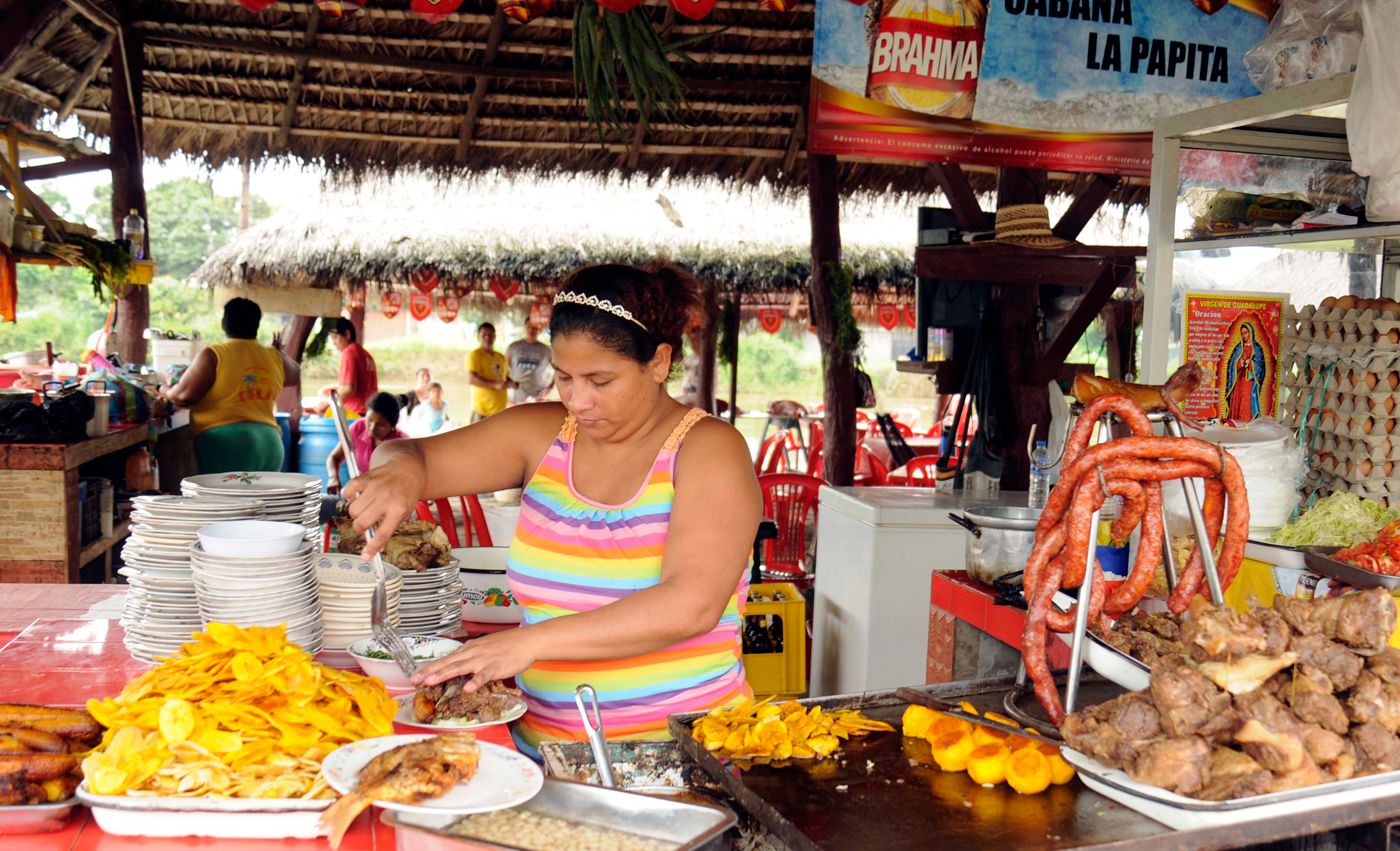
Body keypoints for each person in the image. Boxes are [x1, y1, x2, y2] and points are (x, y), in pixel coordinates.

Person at [341, 262, 760, 756]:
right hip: (542, 751)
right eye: (564, 377)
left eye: (600, 380)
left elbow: (691, 605)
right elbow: (410, 455)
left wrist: (526, 645)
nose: (578, 400)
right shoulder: (542, 434)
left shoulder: (710, 450)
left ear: (659, 362)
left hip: (681, 757)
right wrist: (400, 474)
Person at [162, 298, 299, 474]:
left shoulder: (214, 355)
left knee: (224, 501)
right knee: (261, 502)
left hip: (228, 446)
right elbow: (295, 374)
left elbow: (182, 396)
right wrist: (279, 352)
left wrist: (164, 390)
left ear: (223, 323)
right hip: (270, 443)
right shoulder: (273, 356)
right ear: (257, 325)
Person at [326, 392, 406, 493]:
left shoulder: (401, 444)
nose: (372, 428)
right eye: (370, 420)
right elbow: (334, 458)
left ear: (392, 427)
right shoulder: (358, 427)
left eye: (380, 425)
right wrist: (333, 478)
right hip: (360, 489)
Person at [329, 317, 378, 417]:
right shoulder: (367, 355)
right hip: (370, 412)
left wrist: (328, 403)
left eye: (335, 337)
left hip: (354, 413)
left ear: (347, 334)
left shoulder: (349, 352)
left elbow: (348, 389)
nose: (334, 342)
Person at [1223, 320, 1267, 421]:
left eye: (1246, 333)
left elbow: (1260, 366)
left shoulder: (1257, 348)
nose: (1244, 336)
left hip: (1249, 381)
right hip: (1238, 381)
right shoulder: (1239, 347)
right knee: (1237, 402)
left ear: (1250, 332)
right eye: (1242, 333)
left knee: (1247, 403)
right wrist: (1240, 363)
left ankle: (1247, 424)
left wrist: (1250, 364)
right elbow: (1231, 364)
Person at [467, 322, 509, 422]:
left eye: (490, 335)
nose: (487, 338)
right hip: (482, 411)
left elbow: (504, 377)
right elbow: (472, 379)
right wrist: (495, 384)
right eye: (484, 335)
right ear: (478, 337)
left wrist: (511, 383)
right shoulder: (475, 355)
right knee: (477, 437)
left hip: (500, 411)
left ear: (495, 337)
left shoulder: (500, 357)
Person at [506, 322, 552, 405]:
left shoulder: (546, 350)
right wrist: (508, 384)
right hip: (516, 396)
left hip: (537, 397)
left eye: (535, 327)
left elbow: (559, 369)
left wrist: (550, 387)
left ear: (540, 329)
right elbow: (502, 369)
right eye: (529, 326)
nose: (531, 329)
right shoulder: (513, 347)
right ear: (524, 328)